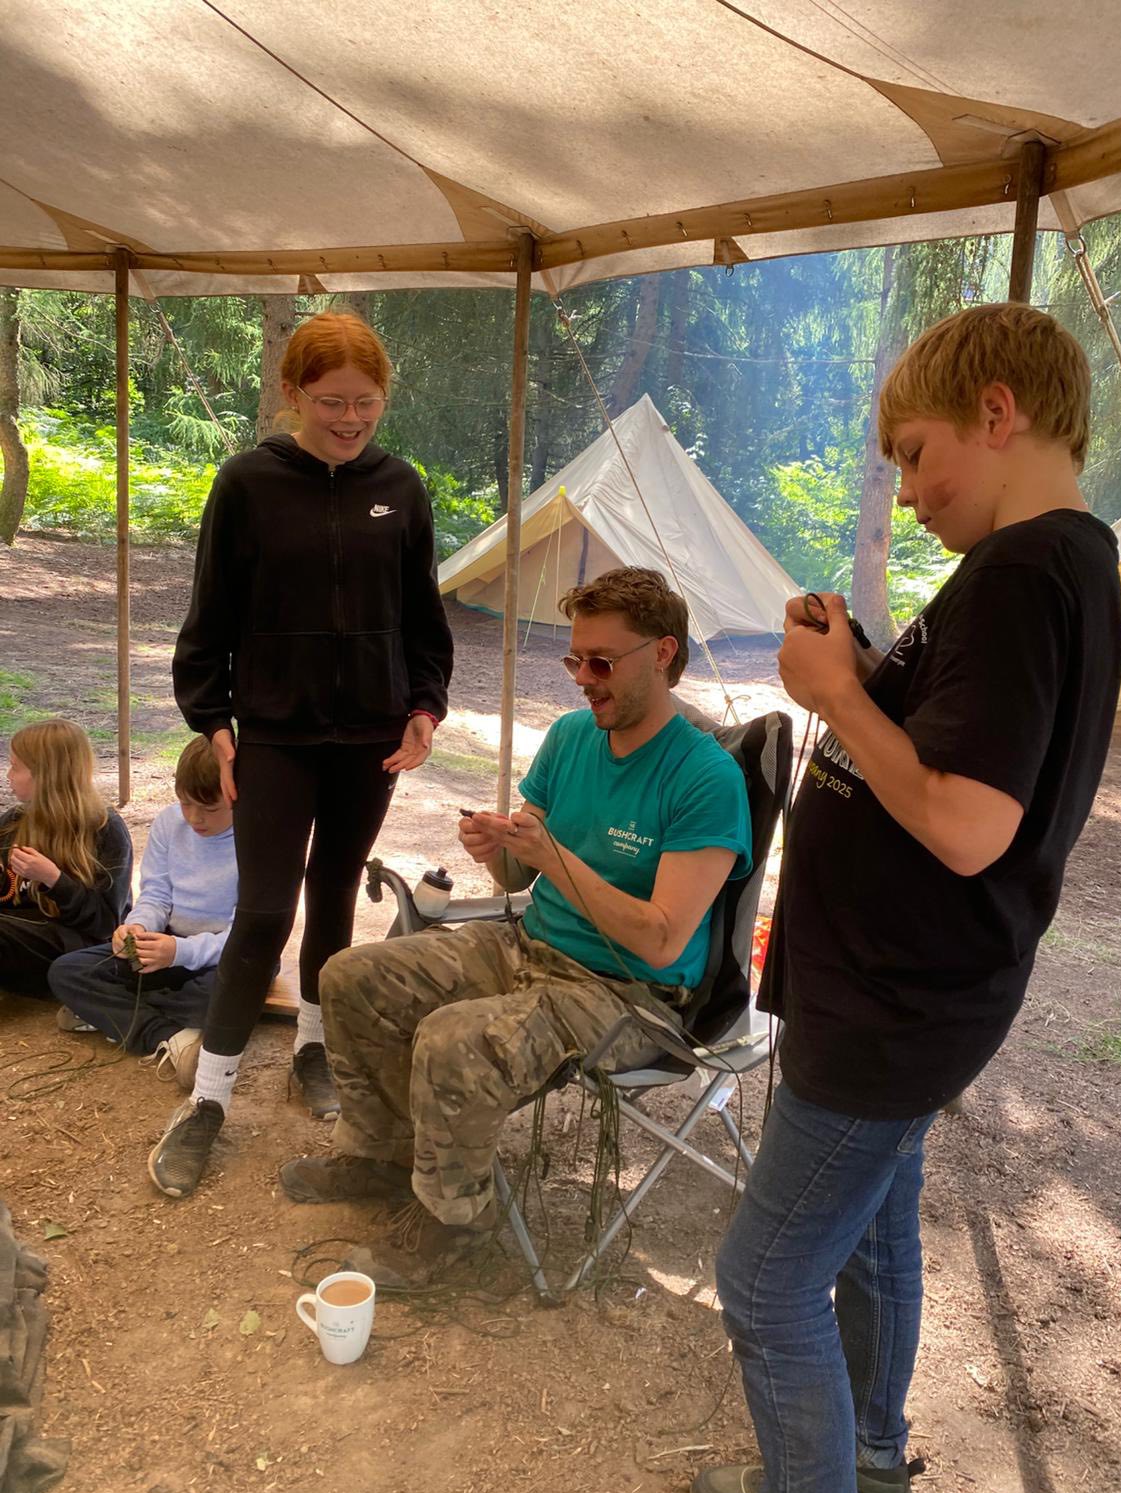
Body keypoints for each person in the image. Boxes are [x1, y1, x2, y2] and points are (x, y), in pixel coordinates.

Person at [692, 303, 1121, 1493]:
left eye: (918, 454)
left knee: (765, 1283)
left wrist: (834, 698)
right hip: (908, 997)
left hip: (892, 1009)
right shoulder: (1051, 565)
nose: (912, 490)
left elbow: (966, 822)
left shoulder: (1024, 574)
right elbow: (958, 745)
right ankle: (864, 1491)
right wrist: (872, 670)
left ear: (997, 414)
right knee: (875, 1235)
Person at [278, 568, 753, 1286]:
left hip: (629, 994)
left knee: (454, 1039)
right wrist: (496, 849)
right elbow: (516, 880)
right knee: (351, 977)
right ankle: (381, 1155)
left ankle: (455, 1223)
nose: (582, 680)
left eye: (601, 663)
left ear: (662, 653)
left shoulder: (705, 777)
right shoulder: (571, 737)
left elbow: (661, 939)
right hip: (534, 945)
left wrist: (553, 856)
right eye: (574, 660)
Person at [157, 311, 454, 1199]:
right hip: (276, 737)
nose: (351, 419)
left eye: (367, 402)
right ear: (292, 394)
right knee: (262, 913)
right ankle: (208, 1101)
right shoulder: (246, 483)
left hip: (370, 740)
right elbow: (208, 621)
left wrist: (425, 709)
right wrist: (216, 724)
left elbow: (423, 621)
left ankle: (314, 1051)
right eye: (332, 402)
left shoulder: (400, 488)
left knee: (335, 892)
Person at [48, 735, 236, 1084]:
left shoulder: (256, 840)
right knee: (67, 971)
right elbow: (156, 895)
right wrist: (137, 927)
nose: (195, 818)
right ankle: (172, 1036)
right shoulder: (169, 822)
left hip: (229, 953)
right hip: (167, 943)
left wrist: (180, 952)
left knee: (223, 995)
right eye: (185, 803)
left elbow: (246, 935)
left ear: (236, 796)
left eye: (210, 809)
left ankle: (109, 1012)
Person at [1, 720, 132, 994]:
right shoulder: (14, 822)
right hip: (20, 931)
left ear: (45, 774)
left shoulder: (104, 827)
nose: (8, 775)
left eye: (15, 766)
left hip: (75, 947)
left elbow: (105, 923)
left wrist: (53, 879)